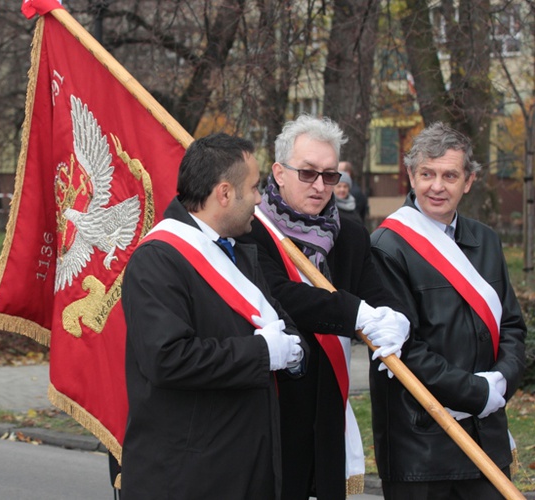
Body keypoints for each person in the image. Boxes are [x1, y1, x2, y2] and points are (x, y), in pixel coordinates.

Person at [121, 133, 309, 499]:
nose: (258, 199)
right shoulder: (157, 260)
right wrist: (262, 354)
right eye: (254, 188)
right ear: (224, 193)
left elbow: (287, 329)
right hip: (189, 478)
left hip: (247, 468)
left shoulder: (240, 252)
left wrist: (294, 353)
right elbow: (168, 358)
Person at [239, 114, 409, 499]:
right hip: (273, 409)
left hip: (329, 407)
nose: (319, 186)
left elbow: (378, 292)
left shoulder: (349, 233)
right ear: (279, 173)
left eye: (330, 176)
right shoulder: (252, 230)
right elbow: (278, 295)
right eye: (308, 173)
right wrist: (355, 314)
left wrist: (395, 318)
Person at [370, 122, 526, 499]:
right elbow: (404, 349)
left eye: (449, 175)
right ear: (411, 174)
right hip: (419, 447)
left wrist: (502, 381)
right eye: (427, 174)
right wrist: (477, 392)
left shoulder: (485, 239)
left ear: (468, 181)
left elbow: (512, 326)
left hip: (486, 437)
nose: (437, 186)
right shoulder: (386, 246)